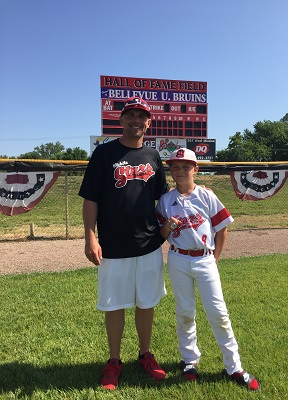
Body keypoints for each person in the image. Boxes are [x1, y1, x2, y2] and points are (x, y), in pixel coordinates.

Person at [79, 97, 169, 390]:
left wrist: (193, 189)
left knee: (147, 302)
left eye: (141, 116)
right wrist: (90, 235)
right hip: (113, 245)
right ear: (121, 120)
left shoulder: (153, 157)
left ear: (148, 122)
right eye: (130, 115)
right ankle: (114, 360)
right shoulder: (105, 153)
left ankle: (145, 354)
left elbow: (164, 197)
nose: (135, 120)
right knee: (114, 304)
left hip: (149, 243)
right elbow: (91, 197)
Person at [156, 148, 260, 391]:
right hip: (178, 258)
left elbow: (222, 227)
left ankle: (234, 366)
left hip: (204, 258)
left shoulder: (206, 195)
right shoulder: (165, 200)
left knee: (219, 313)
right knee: (184, 311)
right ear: (170, 171)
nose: (180, 170)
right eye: (175, 167)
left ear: (196, 169)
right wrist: (168, 227)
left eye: (185, 166)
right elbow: (161, 235)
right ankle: (189, 360)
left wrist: (216, 257)